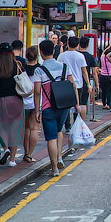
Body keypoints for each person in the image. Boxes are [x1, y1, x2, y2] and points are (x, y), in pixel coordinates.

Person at [33, 39, 77, 176]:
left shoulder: (39, 70)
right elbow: (73, 85)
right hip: (63, 106)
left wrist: (37, 111)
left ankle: (54, 168)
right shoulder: (64, 67)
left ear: (41, 52)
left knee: (51, 138)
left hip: (48, 108)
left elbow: (37, 92)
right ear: (53, 51)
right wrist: (76, 104)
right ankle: (59, 158)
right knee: (59, 131)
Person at [0, 43, 25, 167]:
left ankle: (5, 149)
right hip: (16, 100)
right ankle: (13, 160)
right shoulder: (17, 65)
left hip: (1, 100)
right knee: (14, 129)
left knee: (2, 127)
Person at [58, 36, 90, 122]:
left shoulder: (61, 56)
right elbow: (84, 71)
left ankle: (67, 125)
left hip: (65, 83)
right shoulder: (80, 56)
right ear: (78, 45)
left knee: (66, 105)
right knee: (77, 104)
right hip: (78, 83)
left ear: (67, 43)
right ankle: (76, 123)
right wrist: (88, 84)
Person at [22, 45, 40, 163]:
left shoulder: (22, 68)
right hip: (35, 103)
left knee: (26, 128)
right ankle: (30, 154)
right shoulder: (40, 69)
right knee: (34, 129)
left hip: (23, 102)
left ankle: (25, 152)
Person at [78, 38, 98, 113]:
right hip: (85, 82)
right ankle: (81, 123)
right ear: (88, 45)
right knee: (83, 103)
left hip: (74, 82)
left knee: (75, 103)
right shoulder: (90, 57)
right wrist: (97, 84)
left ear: (79, 44)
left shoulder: (76, 55)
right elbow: (94, 72)